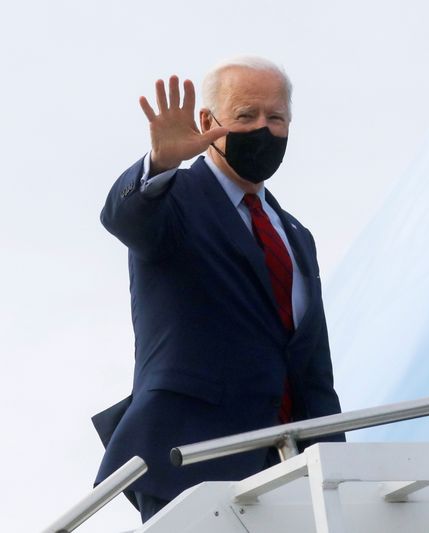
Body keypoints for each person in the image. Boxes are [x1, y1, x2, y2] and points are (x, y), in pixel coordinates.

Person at [92, 56, 344, 523]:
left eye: (276, 118)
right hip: (190, 463)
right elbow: (123, 217)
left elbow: (310, 366)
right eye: (246, 116)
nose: (263, 130)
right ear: (208, 122)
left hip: (294, 472)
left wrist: (338, 465)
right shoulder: (173, 198)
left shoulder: (295, 234)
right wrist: (162, 161)